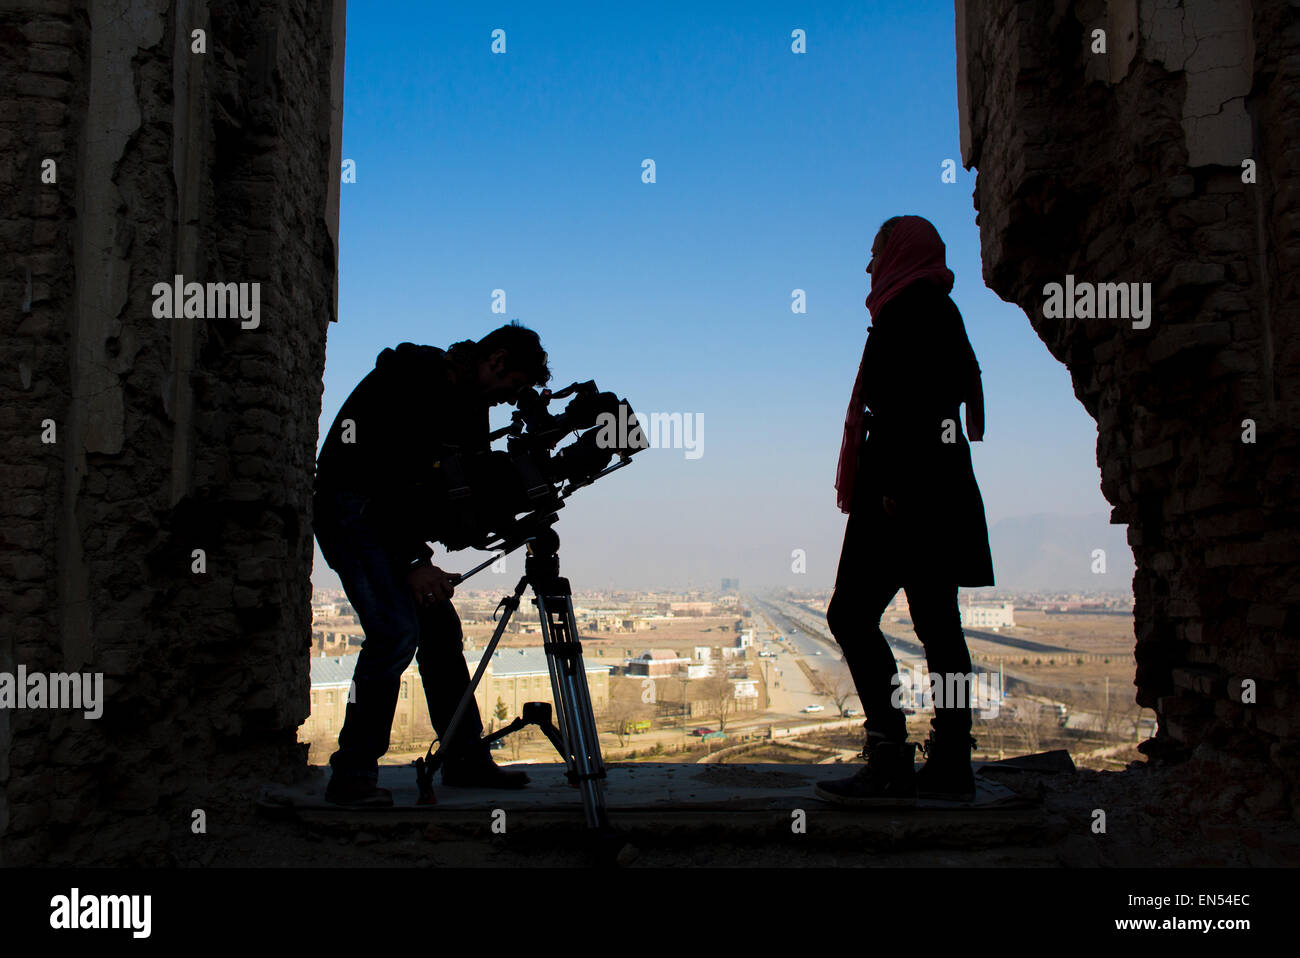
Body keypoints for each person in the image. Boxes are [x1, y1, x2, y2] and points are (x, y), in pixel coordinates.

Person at [313, 322, 551, 806]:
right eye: (515, 385)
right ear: (498, 361)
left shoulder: (467, 405)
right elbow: (381, 476)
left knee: (439, 632)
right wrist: (412, 561)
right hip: (353, 510)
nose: (511, 399)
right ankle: (352, 776)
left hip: (383, 519)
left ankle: (464, 761)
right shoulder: (417, 379)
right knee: (395, 633)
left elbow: (458, 495)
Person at [815, 215, 995, 807]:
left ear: (899, 252)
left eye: (875, 251)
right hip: (935, 488)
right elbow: (949, 400)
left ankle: (890, 758)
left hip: (903, 492)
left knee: (851, 615)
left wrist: (893, 483)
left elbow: (916, 408)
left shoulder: (910, 311)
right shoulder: (933, 308)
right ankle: (949, 763)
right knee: (939, 628)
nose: (869, 265)